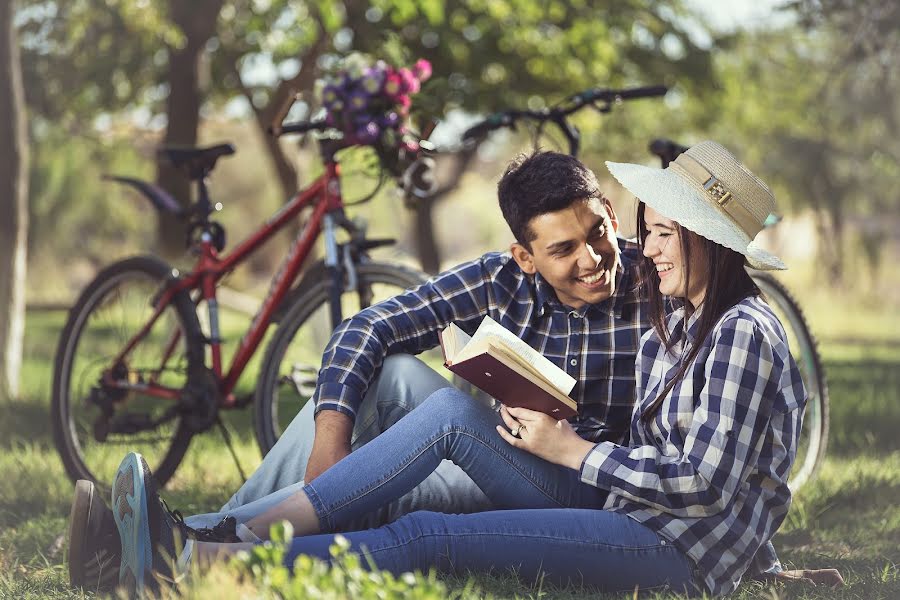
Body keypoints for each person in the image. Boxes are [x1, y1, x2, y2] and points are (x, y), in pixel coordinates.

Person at [98, 141, 835, 596]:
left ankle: (201, 556)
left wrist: (574, 449)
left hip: (636, 523)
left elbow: (713, 479)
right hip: (598, 495)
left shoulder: (696, 307)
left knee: (421, 530)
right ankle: (204, 539)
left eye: (652, 234)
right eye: (651, 232)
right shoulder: (679, 312)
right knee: (433, 406)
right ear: (524, 255)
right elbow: (742, 467)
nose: (627, 254)